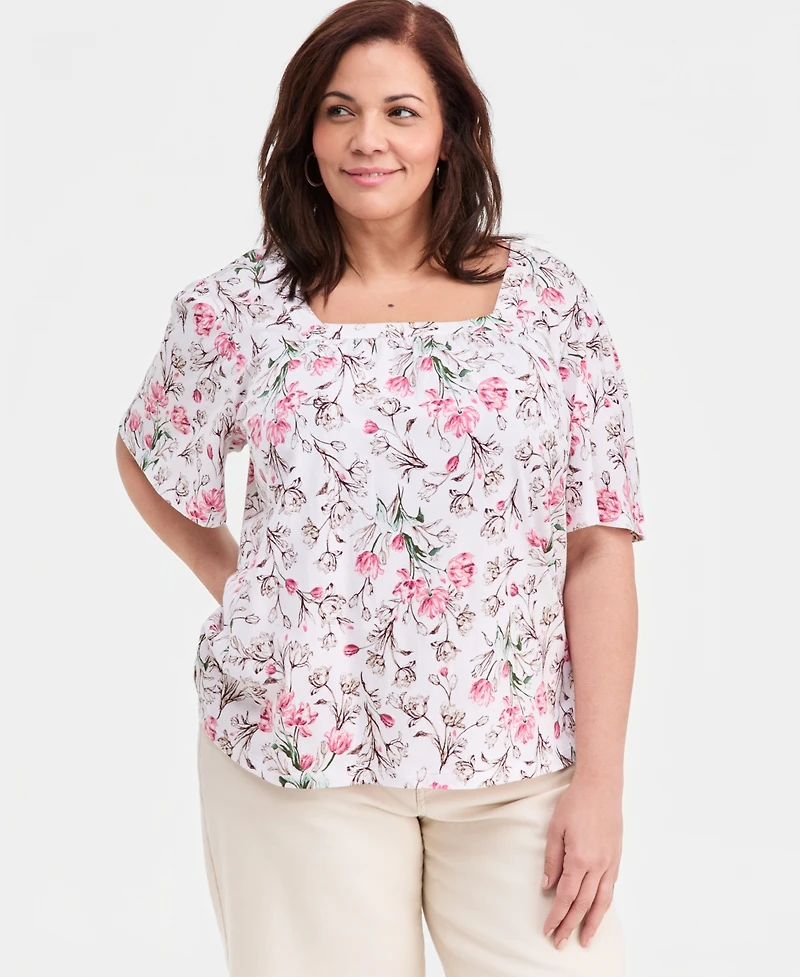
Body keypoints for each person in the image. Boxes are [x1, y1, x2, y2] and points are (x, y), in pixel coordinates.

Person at [115, 2, 646, 974]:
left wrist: (600, 785)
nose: (368, 140)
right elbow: (150, 450)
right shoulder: (239, 308)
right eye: (338, 111)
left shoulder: (547, 305)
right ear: (305, 135)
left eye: (401, 111)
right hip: (300, 758)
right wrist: (241, 586)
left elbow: (598, 544)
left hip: (517, 765)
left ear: (449, 132)